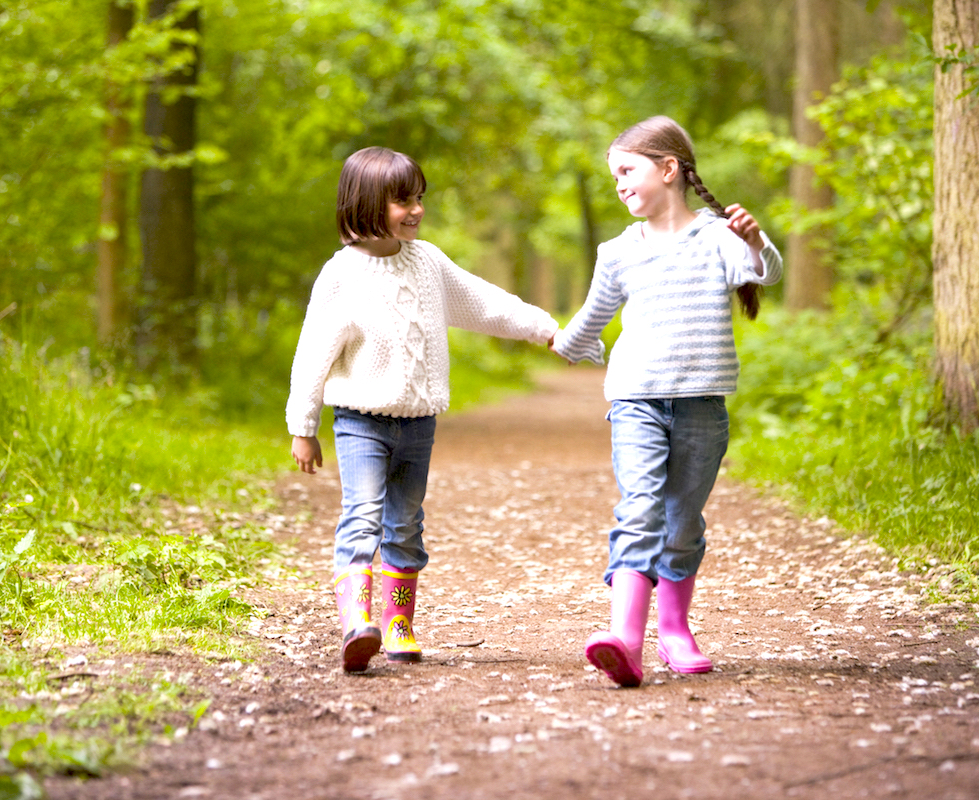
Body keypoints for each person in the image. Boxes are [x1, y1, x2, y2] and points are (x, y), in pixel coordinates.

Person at [287, 146, 559, 673]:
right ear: (364, 204)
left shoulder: (428, 262)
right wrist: (304, 425)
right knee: (363, 517)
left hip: (418, 424)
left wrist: (544, 327)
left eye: (418, 199)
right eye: (401, 201)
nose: (415, 210)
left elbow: (483, 303)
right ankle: (356, 623)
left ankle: (397, 622)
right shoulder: (341, 275)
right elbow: (312, 353)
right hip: (360, 423)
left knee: (406, 525)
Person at [552, 116, 783, 687]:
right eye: (613, 177)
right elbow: (593, 318)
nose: (620, 184)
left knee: (682, 523)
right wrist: (556, 339)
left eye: (628, 171)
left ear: (669, 169)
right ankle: (625, 639)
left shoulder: (719, 237)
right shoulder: (616, 252)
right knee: (640, 508)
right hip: (636, 400)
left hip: (703, 405)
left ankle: (674, 630)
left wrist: (757, 240)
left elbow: (766, 273)